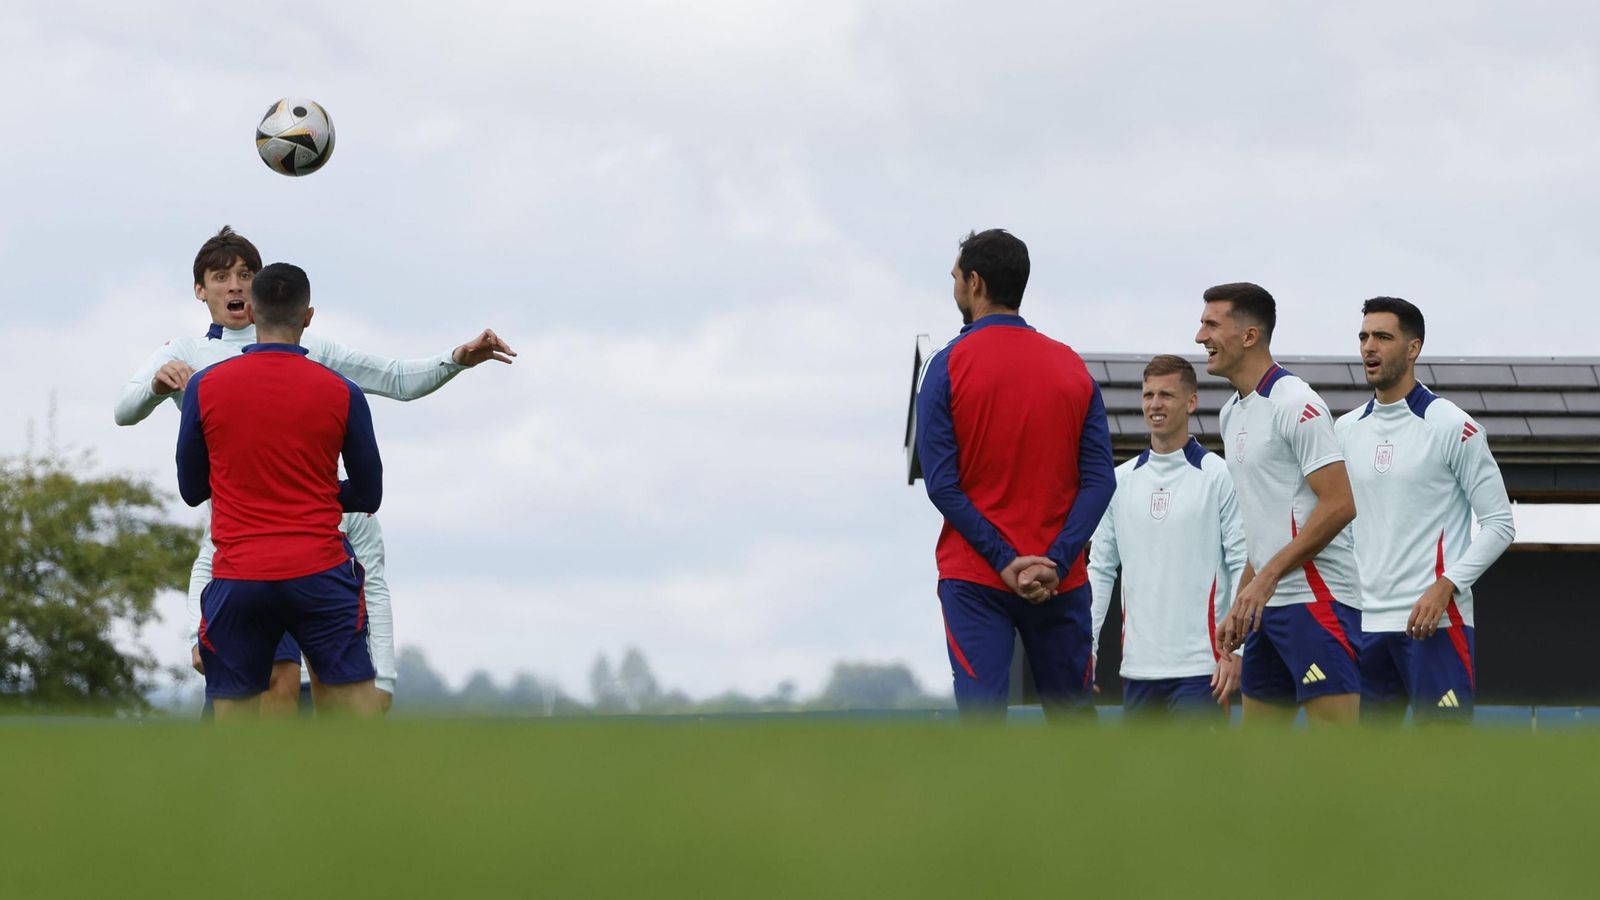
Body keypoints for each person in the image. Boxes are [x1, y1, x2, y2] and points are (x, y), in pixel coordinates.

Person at [116, 226, 514, 714]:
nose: (235, 285)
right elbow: (123, 410)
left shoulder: (317, 357)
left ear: (260, 294)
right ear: (200, 289)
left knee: (296, 692)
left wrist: (454, 360)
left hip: (298, 547)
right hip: (236, 543)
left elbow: (393, 377)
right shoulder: (186, 357)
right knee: (276, 686)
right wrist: (156, 387)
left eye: (246, 274)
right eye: (221, 276)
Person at [914, 229, 1115, 721]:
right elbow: (1100, 480)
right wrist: (1056, 560)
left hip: (975, 577)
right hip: (1060, 579)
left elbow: (942, 484)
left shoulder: (945, 366)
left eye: (956, 278)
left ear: (975, 283)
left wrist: (1006, 561)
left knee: (983, 728)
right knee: (1073, 727)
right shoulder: (1072, 366)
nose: (955, 287)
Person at [177, 262, 383, 718]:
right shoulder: (343, 391)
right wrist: (315, 495)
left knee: (234, 724)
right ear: (307, 316)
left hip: (239, 576)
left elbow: (192, 490)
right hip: (321, 571)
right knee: (356, 717)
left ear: (250, 311)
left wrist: (247, 490)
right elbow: (369, 495)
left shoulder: (204, 388)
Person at [1335, 297, 1514, 724]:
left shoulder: (1452, 425)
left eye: (1382, 336)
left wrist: (1445, 585)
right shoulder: (1343, 431)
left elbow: (1499, 523)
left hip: (1434, 625)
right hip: (1363, 627)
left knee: (1443, 765)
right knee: (1368, 770)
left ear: (1413, 348)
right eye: (1363, 337)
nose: (1368, 347)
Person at [1197, 283, 1362, 726]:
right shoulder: (1231, 412)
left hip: (1316, 601)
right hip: (1265, 608)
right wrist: (1241, 600)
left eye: (1212, 324)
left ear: (1249, 336)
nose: (1199, 337)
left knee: (1339, 758)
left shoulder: (1296, 402)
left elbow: (1340, 504)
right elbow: (1266, 524)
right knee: (1260, 763)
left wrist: (1266, 578)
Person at [1088, 355, 1246, 722]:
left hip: (1202, 670)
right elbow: (1100, 569)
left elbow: (1243, 563)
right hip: (1138, 671)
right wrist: (1088, 646)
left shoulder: (1219, 475)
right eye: (1148, 395)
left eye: (1166, 395)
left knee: (1198, 780)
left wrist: (1238, 651)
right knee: (1143, 780)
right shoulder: (1120, 481)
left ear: (1191, 402)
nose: (1155, 405)